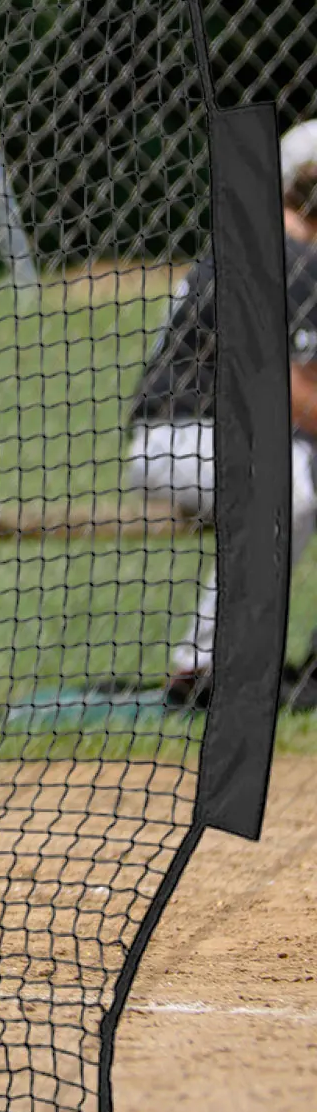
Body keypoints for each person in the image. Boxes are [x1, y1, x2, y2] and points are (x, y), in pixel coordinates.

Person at [126, 121, 317, 704]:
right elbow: (295, 392)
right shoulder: (287, 256)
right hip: (178, 436)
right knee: (288, 484)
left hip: (216, 438)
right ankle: (203, 667)